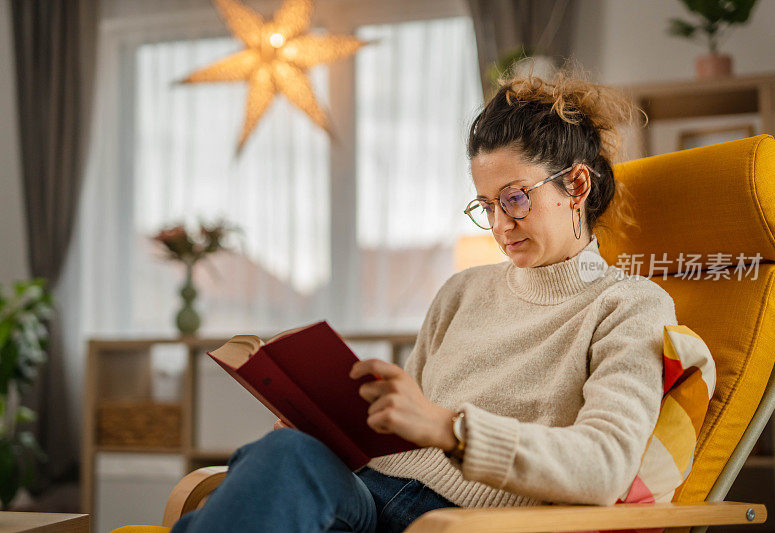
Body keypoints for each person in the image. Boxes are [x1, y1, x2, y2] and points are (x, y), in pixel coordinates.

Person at [170, 64, 677, 533]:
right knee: (284, 453)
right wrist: (333, 427)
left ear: (577, 185)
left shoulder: (629, 305)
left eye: (516, 198)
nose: (500, 225)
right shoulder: (462, 291)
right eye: (486, 205)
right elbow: (396, 434)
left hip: (459, 522)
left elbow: (605, 465)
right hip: (369, 493)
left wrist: (449, 429)